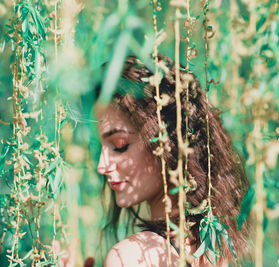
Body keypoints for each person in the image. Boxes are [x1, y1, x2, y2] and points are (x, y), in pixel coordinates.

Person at [96, 56, 250, 267]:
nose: (101, 166)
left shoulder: (132, 257)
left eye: (120, 145)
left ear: (169, 140)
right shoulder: (218, 248)